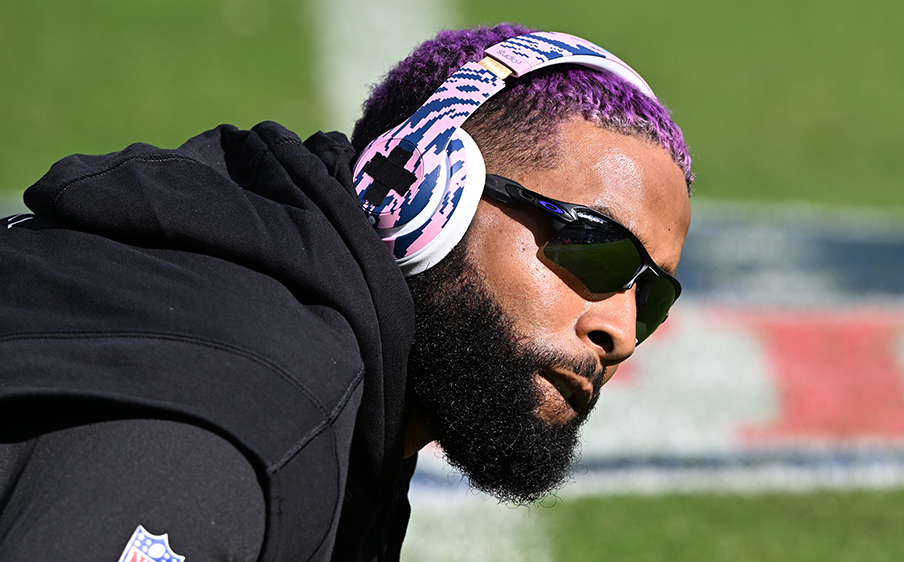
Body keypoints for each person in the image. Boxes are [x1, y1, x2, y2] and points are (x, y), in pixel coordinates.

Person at [0, 23, 692, 562]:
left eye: (651, 296)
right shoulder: (237, 417)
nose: (623, 333)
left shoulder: (360, 408)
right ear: (424, 191)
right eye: (598, 249)